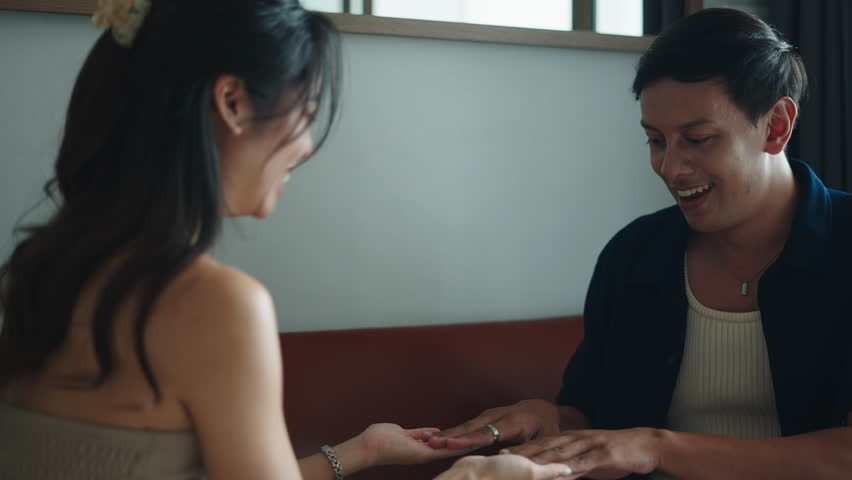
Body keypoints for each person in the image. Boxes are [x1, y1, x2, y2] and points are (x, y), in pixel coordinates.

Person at [0, 1, 572, 479]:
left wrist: (361, 452)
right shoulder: (213, 304)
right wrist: (472, 477)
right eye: (307, 111)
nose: (308, 146)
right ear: (232, 103)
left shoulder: (42, 271)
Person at [427, 8, 852, 480]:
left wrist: (659, 448)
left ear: (776, 126)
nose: (671, 168)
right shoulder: (634, 255)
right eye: (656, 140)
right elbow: (597, 422)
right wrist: (552, 419)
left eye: (698, 138)